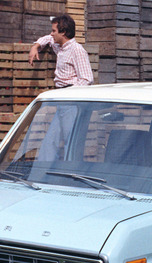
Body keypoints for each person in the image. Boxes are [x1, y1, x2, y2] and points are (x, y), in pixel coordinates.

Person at [27, 15, 93, 161]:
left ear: (63, 32)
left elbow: (87, 78)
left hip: (73, 101)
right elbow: (47, 39)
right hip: (62, 99)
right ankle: (43, 174)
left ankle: (72, 176)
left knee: (71, 142)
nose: (51, 33)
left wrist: (70, 93)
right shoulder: (60, 46)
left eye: (54, 30)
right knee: (50, 141)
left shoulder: (77, 50)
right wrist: (35, 46)